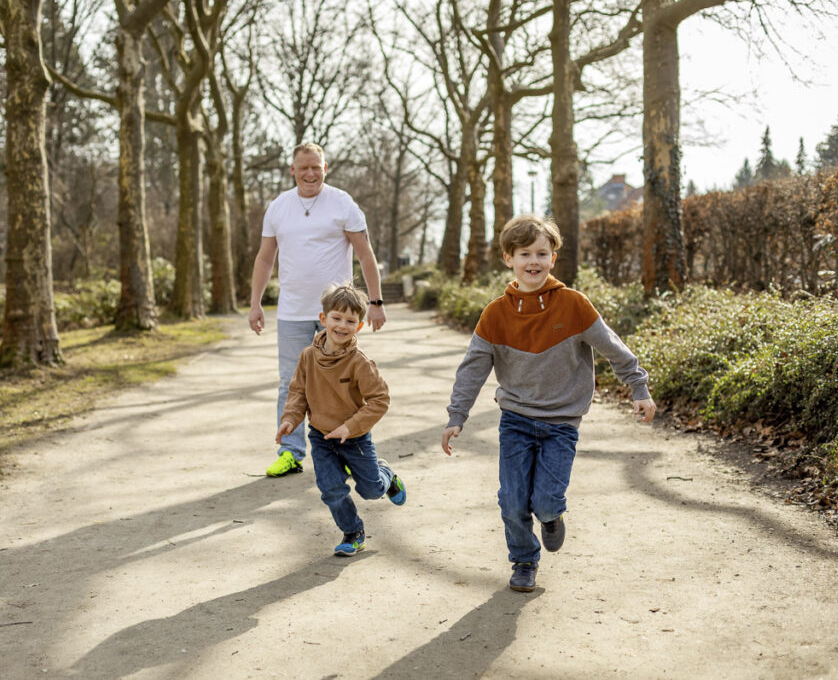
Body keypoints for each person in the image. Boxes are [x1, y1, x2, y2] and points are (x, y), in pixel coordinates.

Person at [441, 214, 656, 592]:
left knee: (544, 500)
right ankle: (524, 560)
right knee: (511, 501)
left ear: (553, 258)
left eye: (542, 253)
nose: (534, 261)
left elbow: (613, 347)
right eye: (525, 254)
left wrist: (638, 387)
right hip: (516, 420)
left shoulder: (574, 305)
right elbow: (472, 369)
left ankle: (552, 514)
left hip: (562, 422)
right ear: (509, 259)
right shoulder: (495, 314)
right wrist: (457, 415)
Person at [250, 142, 387, 478]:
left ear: (325, 169)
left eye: (317, 167)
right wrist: (255, 303)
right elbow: (265, 257)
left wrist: (375, 302)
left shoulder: (342, 203)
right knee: (290, 383)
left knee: (345, 382)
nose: (310, 173)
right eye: (304, 167)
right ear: (293, 170)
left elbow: (365, 254)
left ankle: (349, 450)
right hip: (292, 311)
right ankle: (290, 452)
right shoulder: (279, 207)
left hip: (338, 314)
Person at [277, 284, 405, 556]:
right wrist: (290, 419)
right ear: (323, 320)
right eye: (336, 318)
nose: (342, 325)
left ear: (359, 326)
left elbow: (380, 399)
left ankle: (387, 475)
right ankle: (353, 531)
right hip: (322, 437)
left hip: (355, 438)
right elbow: (298, 391)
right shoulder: (308, 356)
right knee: (331, 489)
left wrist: (350, 426)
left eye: (350, 321)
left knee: (371, 490)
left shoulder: (360, 362)